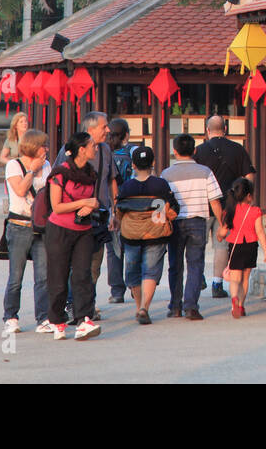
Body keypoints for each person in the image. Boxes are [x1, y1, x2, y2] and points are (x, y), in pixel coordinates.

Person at [58, 112, 121, 311]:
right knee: (74, 264)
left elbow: (112, 180)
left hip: (99, 217)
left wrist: (115, 210)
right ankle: (71, 303)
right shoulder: (68, 151)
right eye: (104, 127)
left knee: (94, 264)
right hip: (74, 217)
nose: (108, 130)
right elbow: (58, 181)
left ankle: (86, 303)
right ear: (90, 129)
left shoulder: (106, 151)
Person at [45, 132, 102, 341]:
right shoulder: (60, 173)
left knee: (83, 275)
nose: (96, 149)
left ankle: (84, 320)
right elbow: (57, 206)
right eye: (93, 146)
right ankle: (57, 321)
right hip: (59, 229)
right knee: (58, 278)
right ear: (82, 150)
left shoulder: (91, 173)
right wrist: (84, 203)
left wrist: (91, 206)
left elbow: (90, 200)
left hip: (83, 230)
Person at [161, 133, 223, 320]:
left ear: (174, 151)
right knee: (196, 265)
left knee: (175, 265)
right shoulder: (205, 172)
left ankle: (175, 306)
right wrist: (221, 224)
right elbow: (214, 201)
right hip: (197, 222)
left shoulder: (166, 174)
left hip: (175, 223)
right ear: (194, 151)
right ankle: (191, 306)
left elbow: (162, 202)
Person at [116, 144, 179, 325]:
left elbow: (119, 211)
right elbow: (173, 208)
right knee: (151, 271)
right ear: (153, 163)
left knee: (133, 271)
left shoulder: (127, 187)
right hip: (156, 232)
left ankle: (138, 307)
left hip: (131, 235)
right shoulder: (160, 185)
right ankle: (145, 307)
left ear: (133, 165)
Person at [194, 115, 256, 298]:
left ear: (207, 130)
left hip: (203, 205)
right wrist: (242, 199)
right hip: (229, 207)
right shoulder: (237, 149)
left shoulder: (199, 151)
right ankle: (217, 284)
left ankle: (198, 277)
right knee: (222, 246)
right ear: (225, 129)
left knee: (198, 244)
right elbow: (249, 177)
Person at [3, 129, 52, 334]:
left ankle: (43, 318)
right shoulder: (13, 165)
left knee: (43, 276)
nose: (46, 150)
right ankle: (11, 316)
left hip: (41, 226)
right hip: (19, 226)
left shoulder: (48, 165)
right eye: (43, 146)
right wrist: (32, 170)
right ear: (33, 147)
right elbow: (21, 191)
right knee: (16, 276)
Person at [217, 178, 266, 318]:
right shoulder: (255, 211)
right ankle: (241, 305)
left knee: (235, 278)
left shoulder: (229, 211)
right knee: (245, 278)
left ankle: (234, 298)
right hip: (251, 246)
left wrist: (219, 237)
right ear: (248, 196)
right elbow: (260, 232)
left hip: (235, 245)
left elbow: (222, 231)